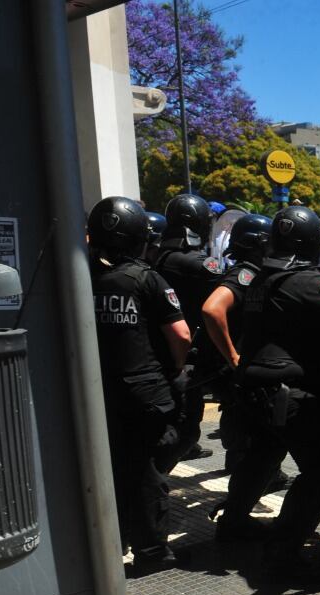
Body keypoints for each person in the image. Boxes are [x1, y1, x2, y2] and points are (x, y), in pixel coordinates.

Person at [223, 205, 320, 580]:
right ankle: (284, 554)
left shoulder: (262, 277)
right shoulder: (310, 281)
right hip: (290, 393)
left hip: (254, 387)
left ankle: (233, 522)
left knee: (263, 456)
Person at [87, 196, 192, 566]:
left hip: (94, 390)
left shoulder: (77, 276)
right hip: (143, 391)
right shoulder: (145, 278)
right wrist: (177, 369)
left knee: (107, 465)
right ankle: (151, 550)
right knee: (147, 471)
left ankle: (113, 540)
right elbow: (180, 336)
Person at [152, 193, 224, 469]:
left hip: (164, 353)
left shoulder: (159, 257)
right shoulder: (198, 264)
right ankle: (150, 483)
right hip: (189, 358)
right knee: (185, 430)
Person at [201, 212, 272, 479]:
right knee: (244, 425)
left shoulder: (253, 272)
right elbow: (212, 309)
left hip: (241, 366)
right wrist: (233, 355)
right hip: (237, 367)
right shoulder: (244, 273)